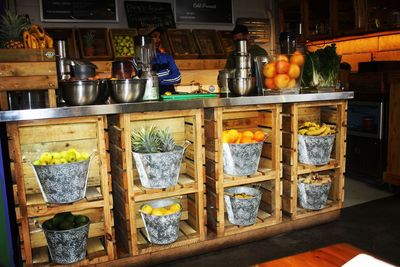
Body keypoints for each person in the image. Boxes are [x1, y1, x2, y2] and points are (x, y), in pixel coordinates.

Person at [149, 27, 181, 95]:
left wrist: (159, 81)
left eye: (159, 37)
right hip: (149, 95)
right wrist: (167, 76)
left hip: (169, 95)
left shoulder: (167, 57)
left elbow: (178, 77)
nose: (158, 39)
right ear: (146, 39)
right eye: (155, 36)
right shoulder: (140, 59)